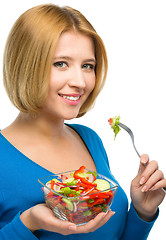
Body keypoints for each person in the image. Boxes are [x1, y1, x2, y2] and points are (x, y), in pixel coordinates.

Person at [0, 3, 165, 240]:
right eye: (60, 64)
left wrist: (143, 211)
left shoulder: (89, 138)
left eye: (88, 66)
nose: (80, 81)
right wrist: (28, 223)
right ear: (25, 66)